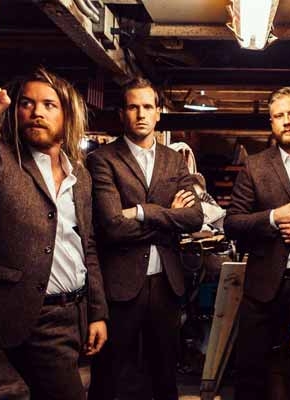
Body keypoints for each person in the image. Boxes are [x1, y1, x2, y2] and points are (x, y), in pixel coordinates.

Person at [0, 69, 108, 400]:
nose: (36, 112)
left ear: (67, 115)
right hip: (31, 313)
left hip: (74, 311)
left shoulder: (79, 174)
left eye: (49, 105)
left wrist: (97, 313)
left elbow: (86, 246)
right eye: (27, 103)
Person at [86, 77, 203, 400]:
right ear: (121, 113)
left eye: (147, 107)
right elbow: (112, 225)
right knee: (109, 377)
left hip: (166, 283)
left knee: (164, 376)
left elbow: (195, 217)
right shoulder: (102, 159)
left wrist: (139, 211)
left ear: (158, 113)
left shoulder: (174, 160)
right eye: (133, 107)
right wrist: (168, 217)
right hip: (121, 286)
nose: (141, 114)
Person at [224, 86, 290, 400]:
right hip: (262, 288)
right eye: (278, 116)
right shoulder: (255, 165)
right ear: (271, 123)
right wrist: (275, 216)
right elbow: (232, 223)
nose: (286, 121)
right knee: (251, 375)